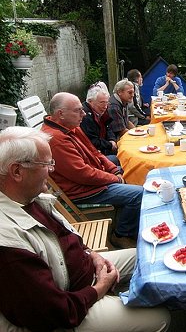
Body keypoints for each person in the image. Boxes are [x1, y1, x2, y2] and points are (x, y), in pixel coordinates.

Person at [0, 126, 170, 332]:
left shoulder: (29, 199)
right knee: (161, 317)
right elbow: (57, 311)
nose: (52, 170)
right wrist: (100, 288)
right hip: (71, 308)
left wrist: (93, 256)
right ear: (17, 171)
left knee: (150, 255)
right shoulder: (8, 245)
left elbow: (67, 239)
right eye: (46, 164)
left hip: (84, 274)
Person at [42, 92, 143, 249]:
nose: (83, 113)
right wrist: (114, 178)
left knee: (126, 169)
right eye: (78, 110)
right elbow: (82, 174)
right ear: (61, 114)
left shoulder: (69, 127)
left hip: (90, 176)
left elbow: (95, 152)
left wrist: (113, 170)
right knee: (138, 193)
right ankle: (122, 235)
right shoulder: (56, 140)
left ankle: (125, 214)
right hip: (82, 191)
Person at [80, 86, 119, 165]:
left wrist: (112, 140)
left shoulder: (100, 111)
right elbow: (92, 141)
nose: (105, 106)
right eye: (102, 103)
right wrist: (110, 145)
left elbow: (108, 127)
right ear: (90, 101)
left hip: (103, 147)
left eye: (106, 102)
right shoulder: (85, 117)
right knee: (120, 159)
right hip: (93, 156)